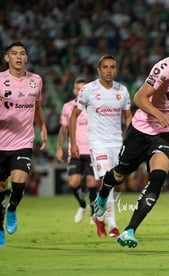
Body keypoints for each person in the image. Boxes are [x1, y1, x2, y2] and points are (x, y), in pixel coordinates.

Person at [92, 33, 169, 248]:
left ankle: (129, 230)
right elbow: (139, 98)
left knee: (157, 178)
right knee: (120, 174)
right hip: (142, 128)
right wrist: (158, 114)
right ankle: (102, 195)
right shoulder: (165, 67)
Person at [0, 41, 48, 247]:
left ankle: (13, 208)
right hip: (0, 144)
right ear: (6, 58)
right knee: (0, 187)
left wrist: (42, 126)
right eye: (14, 53)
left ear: (26, 58)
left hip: (24, 141)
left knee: (19, 182)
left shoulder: (36, 80)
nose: (18, 57)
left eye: (22, 53)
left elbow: (37, 106)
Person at [70, 55, 132, 238]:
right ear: (99, 70)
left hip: (117, 143)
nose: (109, 70)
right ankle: (112, 224)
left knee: (118, 184)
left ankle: (99, 214)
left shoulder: (122, 90)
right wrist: (73, 143)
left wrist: (131, 137)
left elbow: (128, 117)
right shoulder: (88, 90)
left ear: (116, 69)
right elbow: (73, 116)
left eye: (112, 67)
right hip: (97, 143)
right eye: (105, 67)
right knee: (109, 180)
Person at [56, 77, 97, 223]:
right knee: (73, 183)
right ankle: (83, 205)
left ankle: (94, 212)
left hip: (93, 151)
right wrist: (59, 147)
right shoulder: (68, 107)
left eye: (83, 89)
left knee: (92, 183)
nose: (81, 91)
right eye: (78, 89)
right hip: (75, 151)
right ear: (74, 91)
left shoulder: (95, 106)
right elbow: (64, 129)